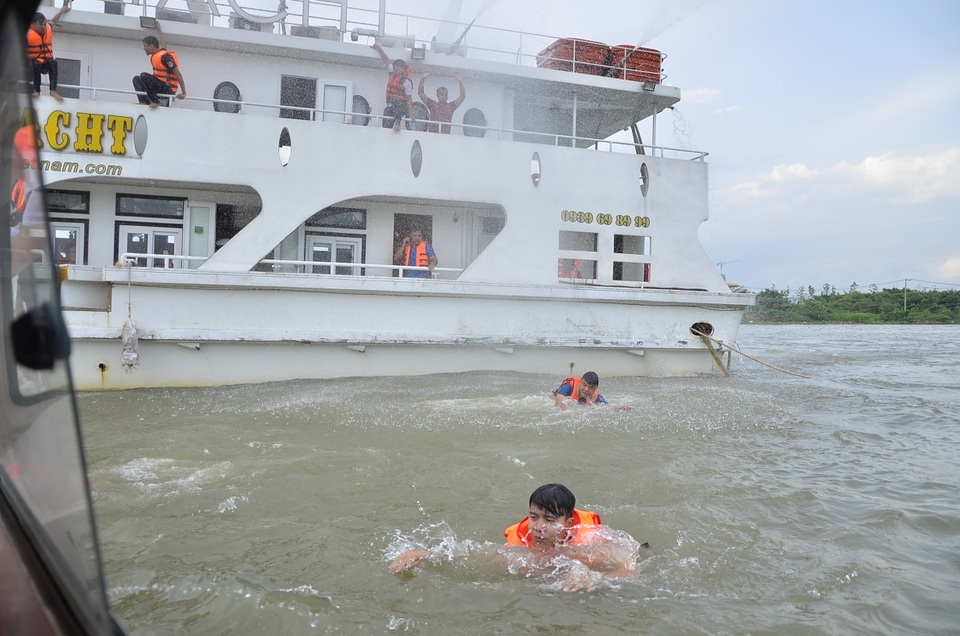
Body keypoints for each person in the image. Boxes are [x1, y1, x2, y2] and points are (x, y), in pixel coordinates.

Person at [390, 483, 641, 592]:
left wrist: (597, 579)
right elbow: (475, 553)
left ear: (569, 522)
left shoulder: (589, 540)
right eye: (534, 517)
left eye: (550, 520)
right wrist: (424, 555)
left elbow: (631, 570)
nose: (538, 528)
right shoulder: (521, 542)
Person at [132, 22, 186, 108]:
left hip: (167, 89)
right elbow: (163, 43)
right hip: (159, 85)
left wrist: (183, 92)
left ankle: (154, 101)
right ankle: (143, 101)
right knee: (136, 79)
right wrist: (159, 30)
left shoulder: (165, 57)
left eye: (145, 46)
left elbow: (177, 73)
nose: (144, 48)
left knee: (144, 75)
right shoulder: (158, 54)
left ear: (151, 46)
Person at [26, 2, 71, 101]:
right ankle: (36, 91)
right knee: (34, 63)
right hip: (31, 65)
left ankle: (53, 91)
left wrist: (61, 11)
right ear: (32, 25)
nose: (43, 26)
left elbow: (54, 21)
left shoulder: (47, 27)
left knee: (53, 62)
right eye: (40, 24)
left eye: (44, 23)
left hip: (45, 63)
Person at [371, 43, 415, 132]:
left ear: (402, 69)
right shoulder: (393, 72)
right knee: (387, 112)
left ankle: (398, 124)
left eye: (397, 69)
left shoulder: (406, 81)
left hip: (402, 107)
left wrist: (411, 114)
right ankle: (386, 131)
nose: (394, 70)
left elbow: (409, 99)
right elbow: (386, 60)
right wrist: (379, 49)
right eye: (394, 68)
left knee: (396, 100)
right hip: (391, 107)